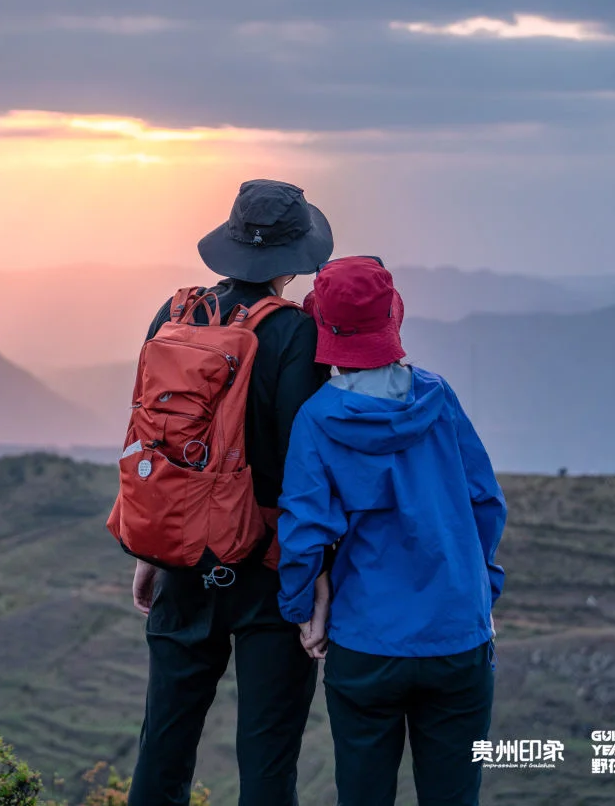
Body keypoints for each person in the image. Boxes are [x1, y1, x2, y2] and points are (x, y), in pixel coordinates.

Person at [127, 179, 335, 806]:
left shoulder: (175, 316)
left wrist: (152, 550)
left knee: (163, 741)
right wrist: (316, 572)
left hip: (186, 560)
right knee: (268, 757)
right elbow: (305, 465)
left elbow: (158, 444)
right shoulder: (297, 335)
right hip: (269, 568)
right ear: (294, 260)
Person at [278, 256, 506, 806]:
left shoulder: (317, 418)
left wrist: (302, 609)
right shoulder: (439, 397)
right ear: (391, 322)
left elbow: (305, 530)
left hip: (367, 642)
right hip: (458, 635)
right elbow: (485, 503)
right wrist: (482, 590)